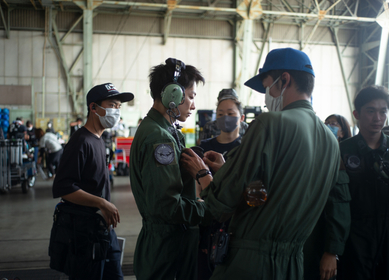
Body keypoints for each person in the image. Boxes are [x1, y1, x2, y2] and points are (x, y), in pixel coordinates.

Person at [180, 48, 341, 279]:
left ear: (284, 80)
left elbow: (220, 204)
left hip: (251, 263)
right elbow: (274, 191)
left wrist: (202, 173)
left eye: (267, 86)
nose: (266, 95)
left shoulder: (269, 123)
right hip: (294, 264)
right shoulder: (330, 140)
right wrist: (229, 169)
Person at [129, 58, 206, 280]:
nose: (192, 105)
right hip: (168, 251)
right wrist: (206, 209)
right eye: (190, 97)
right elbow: (167, 206)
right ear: (173, 94)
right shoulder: (158, 137)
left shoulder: (164, 130)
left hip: (168, 246)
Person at [52, 83, 134, 280]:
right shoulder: (81, 142)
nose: (116, 111)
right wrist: (102, 203)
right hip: (84, 234)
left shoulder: (99, 139)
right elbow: (63, 187)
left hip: (102, 229)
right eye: (112, 105)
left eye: (119, 107)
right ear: (94, 107)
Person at [337, 85, 389, 280]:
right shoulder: (342, 150)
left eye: (383, 112)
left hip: (388, 232)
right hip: (354, 234)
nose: (378, 118)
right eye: (370, 111)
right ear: (357, 113)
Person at [197, 94, 244, 280]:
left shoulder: (247, 148)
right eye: (221, 113)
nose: (225, 117)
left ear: (241, 117)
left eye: (231, 113)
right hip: (209, 215)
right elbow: (197, 183)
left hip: (236, 217)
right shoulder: (207, 145)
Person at [303, 114, 352, 280]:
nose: (329, 126)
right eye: (327, 123)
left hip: (322, 239)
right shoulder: (312, 153)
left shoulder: (339, 156)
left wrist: (332, 251)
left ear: (343, 131)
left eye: (334, 124)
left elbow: (338, 207)